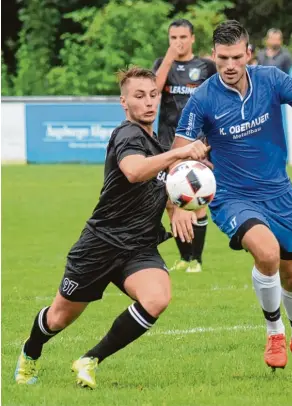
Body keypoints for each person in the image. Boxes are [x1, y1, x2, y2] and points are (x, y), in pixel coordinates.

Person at [14, 67, 209, 389]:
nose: (148, 103)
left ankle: (90, 359)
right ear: (124, 102)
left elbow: (162, 183)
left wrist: (177, 208)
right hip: (100, 245)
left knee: (157, 298)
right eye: (139, 96)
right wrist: (181, 151)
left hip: (138, 247)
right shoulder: (128, 135)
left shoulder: (155, 142)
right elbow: (134, 172)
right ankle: (30, 351)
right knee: (58, 318)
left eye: (152, 95)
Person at [171, 20, 292, 373]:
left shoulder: (272, 80)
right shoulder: (202, 99)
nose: (229, 66)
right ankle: (275, 331)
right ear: (212, 55)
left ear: (248, 54)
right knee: (267, 252)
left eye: (235, 57)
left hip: (279, 193)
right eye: (222, 58)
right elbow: (177, 154)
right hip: (232, 196)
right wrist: (179, 194)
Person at [152, 19, 217, 273]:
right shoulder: (162, 65)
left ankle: (196, 260)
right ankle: (184, 257)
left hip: (196, 145)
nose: (177, 42)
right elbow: (153, 92)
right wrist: (168, 58)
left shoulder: (206, 67)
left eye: (182, 37)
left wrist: (210, 140)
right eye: (173, 38)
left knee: (196, 200)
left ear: (192, 39)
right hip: (167, 145)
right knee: (171, 201)